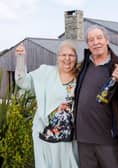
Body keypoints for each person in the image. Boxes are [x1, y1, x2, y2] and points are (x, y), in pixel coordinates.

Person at [74, 25, 118, 168]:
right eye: (91, 40)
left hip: (109, 141)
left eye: (99, 38)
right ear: (88, 44)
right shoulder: (84, 65)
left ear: (107, 40)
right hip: (84, 141)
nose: (96, 42)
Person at [15, 40, 79, 168]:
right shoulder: (45, 73)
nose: (67, 59)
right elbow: (22, 82)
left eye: (71, 55)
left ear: (76, 58)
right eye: (63, 55)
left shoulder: (81, 77)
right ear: (58, 57)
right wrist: (21, 58)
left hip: (70, 138)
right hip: (45, 134)